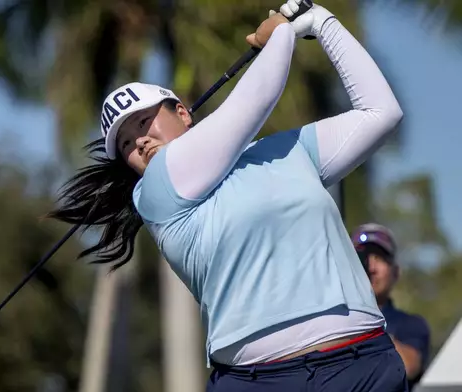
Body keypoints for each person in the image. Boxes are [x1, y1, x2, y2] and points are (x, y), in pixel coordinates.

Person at [50, 0, 406, 390]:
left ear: (183, 113)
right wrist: (281, 34)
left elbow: (381, 112)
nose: (140, 141)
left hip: (362, 366)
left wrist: (323, 23)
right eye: (127, 143)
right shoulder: (155, 194)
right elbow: (254, 99)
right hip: (257, 381)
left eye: (143, 121)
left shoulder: (283, 152)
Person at [352, 223, 431, 390]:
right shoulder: (332, 321)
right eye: (363, 259)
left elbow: (408, 367)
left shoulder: (412, 324)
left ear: (396, 272)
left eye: (379, 258)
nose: (371, 268)